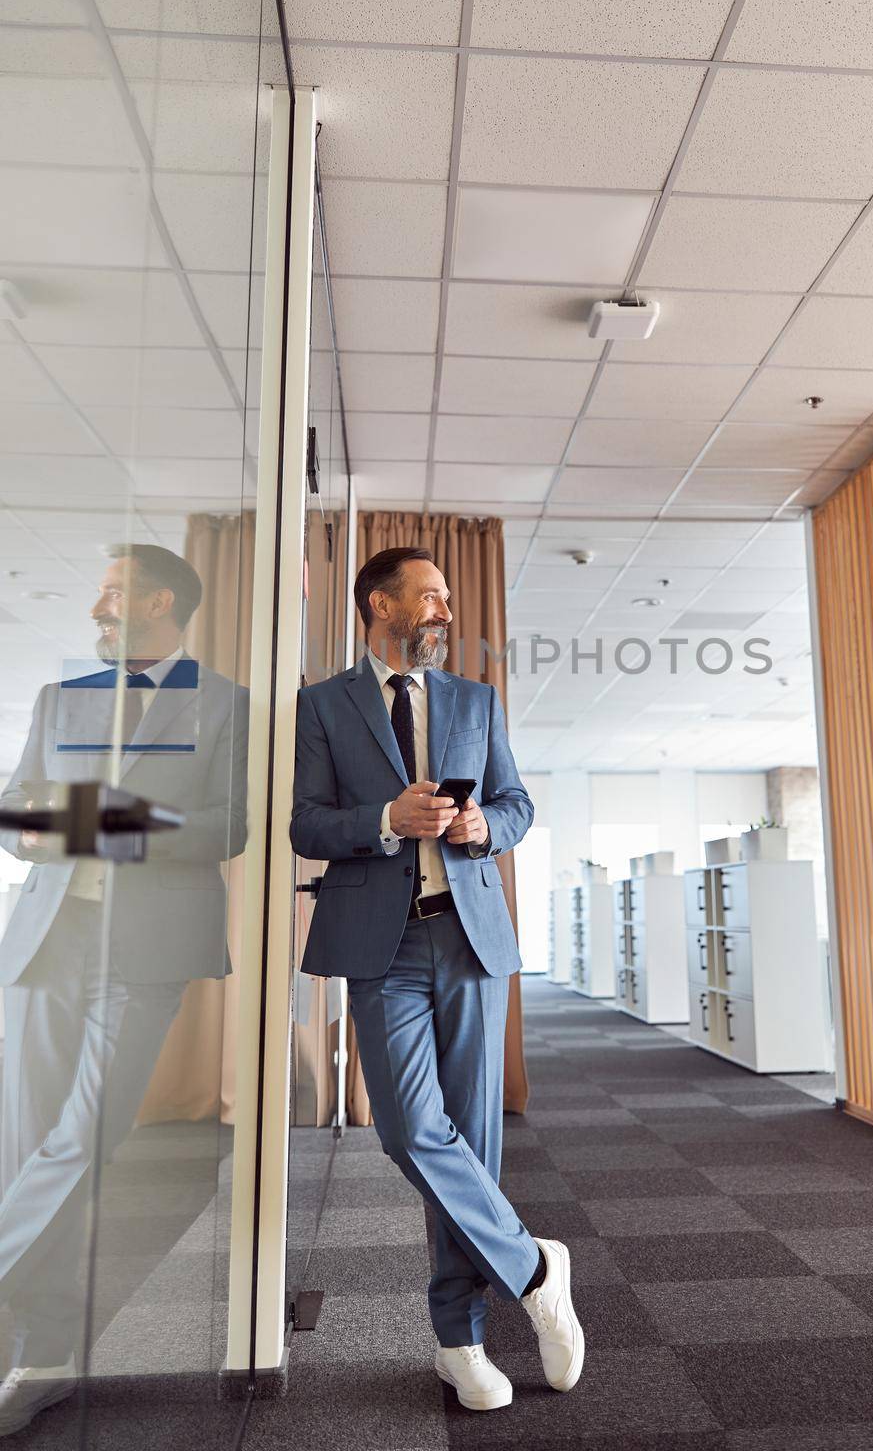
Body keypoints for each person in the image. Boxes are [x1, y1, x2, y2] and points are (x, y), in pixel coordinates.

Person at [291, 546, 584, 1411]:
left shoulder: (474, 701)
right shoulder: (320, 706)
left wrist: (478, 827)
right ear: (379, 604)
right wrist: (386, 818)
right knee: (413, 1132)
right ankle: (536, 1267)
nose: (443, 612)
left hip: (469, 943)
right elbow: (306, 822)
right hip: (383, 949)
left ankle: (461, 1343)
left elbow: (518, 804)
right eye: (428, 597)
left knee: (474, 1143)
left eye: (447, 599)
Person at [0, 544, 248, 1436]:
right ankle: (43, 1356)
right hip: (45, 946)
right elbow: (12, 804)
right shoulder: (57, 696)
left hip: (142, 953)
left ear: (160, 604)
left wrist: (127, 833)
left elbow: (231, 826)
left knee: (79, 1140)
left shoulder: (227, 703)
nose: (98, 609)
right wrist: (53, 829)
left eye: (113, 594)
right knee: (27, 1147)